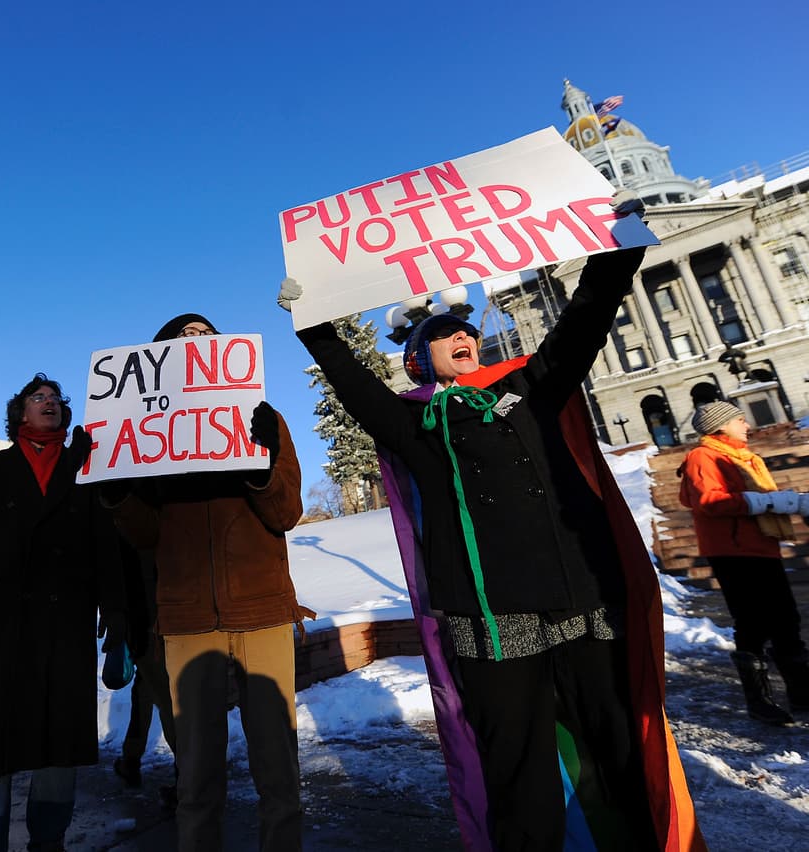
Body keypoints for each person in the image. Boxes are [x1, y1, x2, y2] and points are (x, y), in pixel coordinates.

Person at [281, 212, 701, 850]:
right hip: (490, 615)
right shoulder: (415, 426)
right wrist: (313, 323)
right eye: (446, 335)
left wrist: (618, 253)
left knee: (614, 744)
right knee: (517, 766)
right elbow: (354, 388)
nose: (463, 338)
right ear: (421, 359)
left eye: (467, 332)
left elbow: (581, 324)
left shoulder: (528, 390)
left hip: (579, 598)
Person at [103, 313, 308, 852]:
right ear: (160, 359)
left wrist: (260, 465)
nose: (196, 343)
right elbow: (146, 534)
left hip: (262, 610)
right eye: (182, 339)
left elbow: (287, 512)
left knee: (279, 774)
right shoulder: (150, 437)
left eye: (205, 337)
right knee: (195, 779)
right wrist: (115, 490)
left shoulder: (266, 419)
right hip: (186, 619)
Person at [0, 373, 126, 852]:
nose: (48, 402)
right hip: (0, 630)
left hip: (64, 627)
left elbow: (105, 544)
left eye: (54, 398)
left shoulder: (84, 469)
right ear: (19, 414)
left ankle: (48, 840)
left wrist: (114, 608)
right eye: (38, 397)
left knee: (57, 746)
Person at [678, 401, 809, 724]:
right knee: (752, 623)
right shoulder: (702, 457)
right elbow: (709, 501)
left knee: (785, 620)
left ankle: (802, 693)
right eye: (739, 419)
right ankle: (759, 701)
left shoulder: (742, 457)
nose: (746, 424)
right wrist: (769, 501)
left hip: (760, 547)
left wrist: (787, 503)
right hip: (733, 551)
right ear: (720, 425)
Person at [111, 543, 178, 811]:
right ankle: (130, 758)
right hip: (150, 624)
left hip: (151, 624)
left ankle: (187, 782)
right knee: (145, 689)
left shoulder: (134, 521)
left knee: (166, 700)